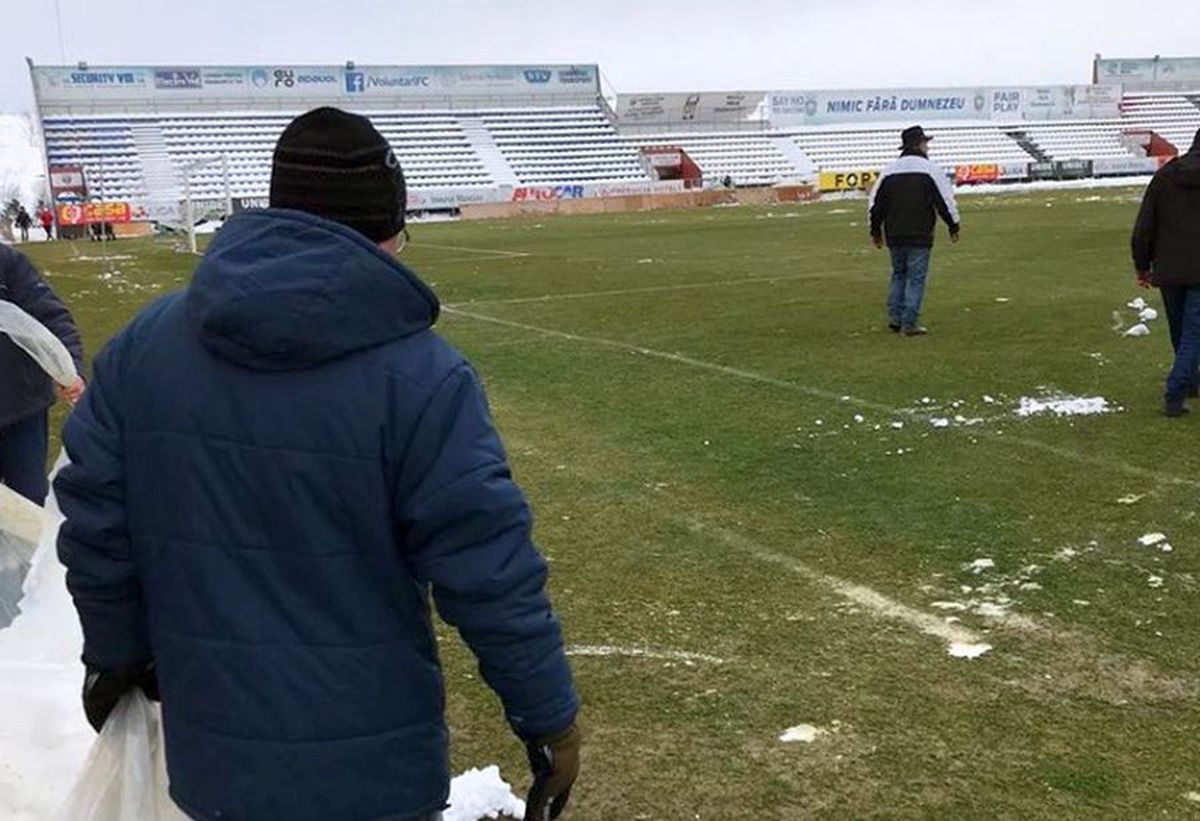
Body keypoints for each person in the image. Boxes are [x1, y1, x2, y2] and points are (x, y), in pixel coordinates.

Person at [55, 107, 580, 821]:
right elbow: (489, 568)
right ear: (383, 234)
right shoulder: (424, 378)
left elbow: (95, 523)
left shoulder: (143, 347)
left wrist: (115, 652)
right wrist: (548, 718)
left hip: (215, 765)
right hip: (374, 778)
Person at [0, 245, 85, 504]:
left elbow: (52, 316)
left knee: (29, 497)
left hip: (23, 409)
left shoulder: (7, 262)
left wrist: (70, 366)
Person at [1132, 127, 1200, 417]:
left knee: (1181, 331)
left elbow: (1144, 227)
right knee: (1193, 333)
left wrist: (1142, 265)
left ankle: (1190, 381)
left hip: (1170, 268)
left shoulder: (1165, 176)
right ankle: (1176, 391)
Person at [868, 125, 961, 336]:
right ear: (919, 144)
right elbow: (944, 201)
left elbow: (876, 205)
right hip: (920, 233)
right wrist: (953, 225)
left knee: (898, 274)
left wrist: (875, 231)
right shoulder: (930, 170)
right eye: (926, 142)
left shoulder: (889, 171)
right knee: (916, 279)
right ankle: (909, 323)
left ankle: (895, 318)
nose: (928, 147)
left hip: (894, 234)